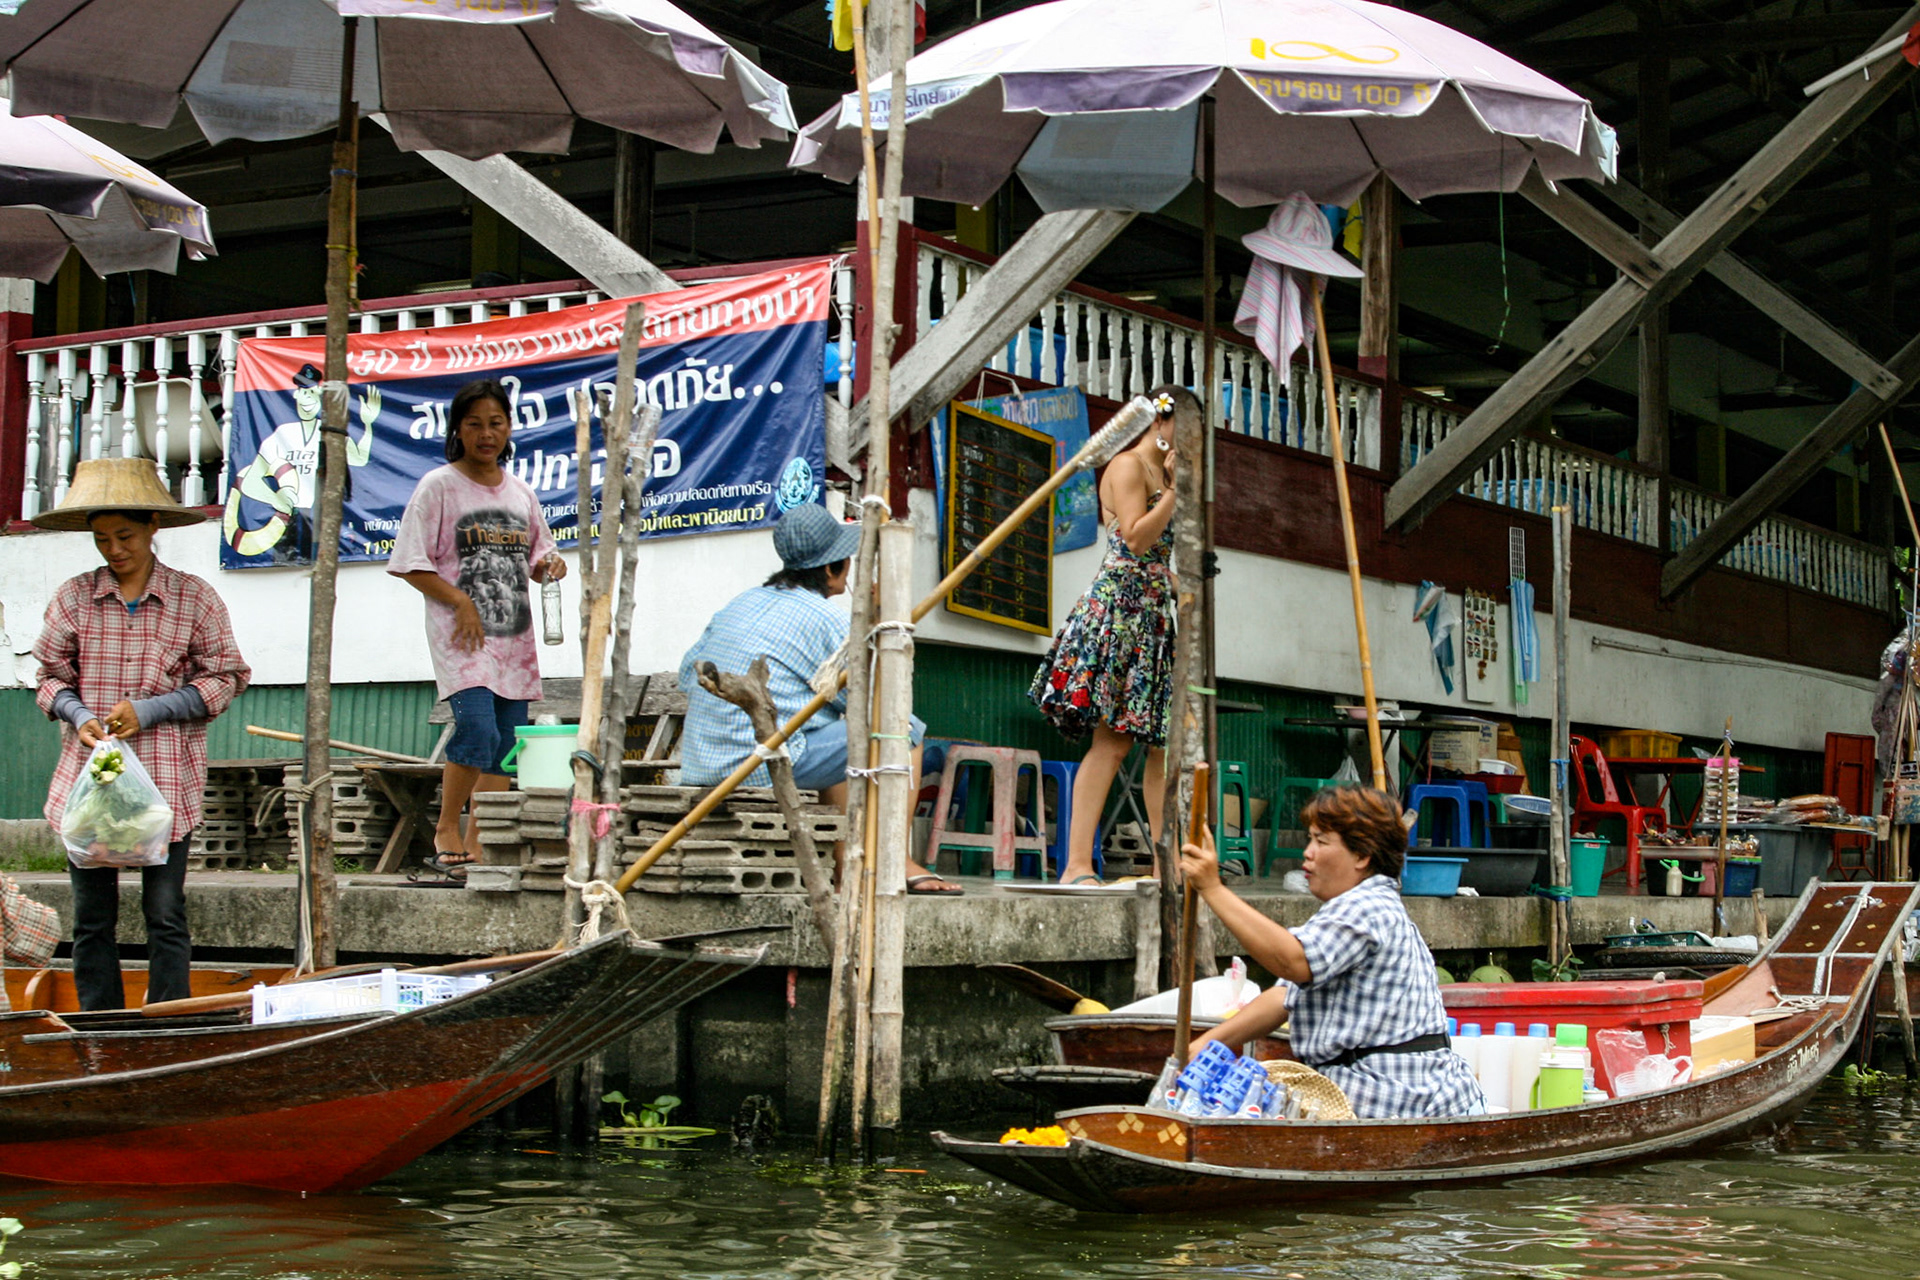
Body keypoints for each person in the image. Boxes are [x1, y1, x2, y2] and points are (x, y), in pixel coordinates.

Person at [31, 458, 252, 1011]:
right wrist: (78, 715)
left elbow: (225, 680)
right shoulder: (73, 598)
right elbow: (48, 679)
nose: (114, 549)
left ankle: (168, 1024)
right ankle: (99, 1027)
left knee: (165, 915)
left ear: (153, 526)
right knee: (91, 919)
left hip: (164, 783)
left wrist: (151, 710)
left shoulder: (193, 598)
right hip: (90, 788)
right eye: (102, 539)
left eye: (125, 535)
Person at [678, 503, 961, 894]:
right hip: (761, 766)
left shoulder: (739, 603)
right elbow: (883, 701)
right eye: (844, 562)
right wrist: (879, 619)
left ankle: (845, 863)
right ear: (830, 568)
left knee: (831, 728)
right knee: (905, 728)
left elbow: (685, 674)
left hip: (701, 763)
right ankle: (896, 858)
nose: (848, 572)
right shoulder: (825, 619)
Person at [1179, 784, 1486, 1119]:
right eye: (1310, 840)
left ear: (1362, 855)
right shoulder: (1342, 912)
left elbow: (1294, 961)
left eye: (1321, 842)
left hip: (1407, 1098)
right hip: (1372, 1091)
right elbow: (1283, 998)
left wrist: (1212, 888)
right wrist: (1204, 1046)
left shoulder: (1369, 906)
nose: (1307, 853)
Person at [390, 378, 566, 878]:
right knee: (475, 727)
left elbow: (538, 556)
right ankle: (447, 826)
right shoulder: (439, 487)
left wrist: (551, 567)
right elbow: (411, 563)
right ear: (458, 430)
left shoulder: (520, 493)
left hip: (514, 640)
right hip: (462, 638)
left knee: (506, 743)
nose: (487, 434)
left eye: (496, 423)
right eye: (475, 424)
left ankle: (478, 839)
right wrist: (459, 599)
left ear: (509, 428)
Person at [1028, 384, 1195, 885]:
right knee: (1114, 742)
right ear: (1161, 424)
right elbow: (1136, 535)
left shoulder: (1162, 474)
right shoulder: (1126, 466)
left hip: (1152, 614)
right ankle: (1076, 865)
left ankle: (1169, 866)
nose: (1191, 443)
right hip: (1119, 612)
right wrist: (1174, 491)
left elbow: (1159, 552)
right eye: (1186, 431)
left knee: (1161, 743)